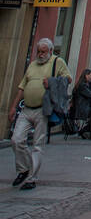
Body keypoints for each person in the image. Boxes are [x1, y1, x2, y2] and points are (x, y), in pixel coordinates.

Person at [9, 39, 72, 189]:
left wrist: (51, 81)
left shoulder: (57, 62)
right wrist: (13, 107)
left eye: (43, 51)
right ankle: (24, 168)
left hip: (43, 109)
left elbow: (68, 79)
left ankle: (31, 178)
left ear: (50, 51)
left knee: (38, 145)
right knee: (16, 140)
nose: (40, 54)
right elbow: (22, 87)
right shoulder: (32, 65)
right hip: (26, 109)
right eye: (38, 51)